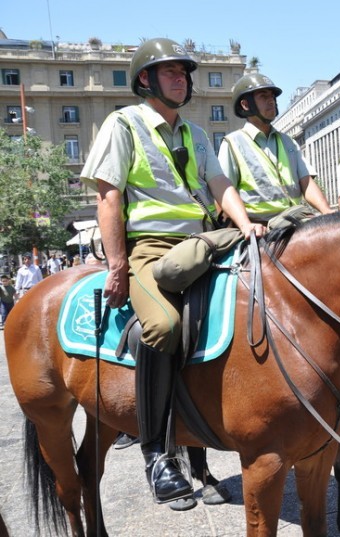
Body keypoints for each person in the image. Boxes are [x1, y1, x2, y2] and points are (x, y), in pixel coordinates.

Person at [80, 38, 265, 504]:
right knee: (162, 327)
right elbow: (109, 197)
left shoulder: (198, 135)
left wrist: (246, 226)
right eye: (171, 72)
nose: (182, 79)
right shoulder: (123, 124)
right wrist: (118, 265)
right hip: (149, 248)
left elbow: (220, 184)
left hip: (202, 243)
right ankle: (156, 453)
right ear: (146, 79)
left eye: (185, 73)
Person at [218, 73, 332, 223]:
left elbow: (307, 182)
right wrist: (241, 226)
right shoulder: (232, 143)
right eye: (263, 96)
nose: (271, 100)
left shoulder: (288, 141)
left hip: (295, 221)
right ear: (245, 105)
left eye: (272, 96)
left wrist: (328, 212)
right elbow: (223, 194)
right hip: (260, 230)